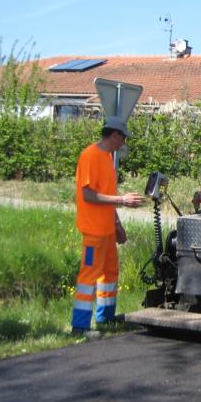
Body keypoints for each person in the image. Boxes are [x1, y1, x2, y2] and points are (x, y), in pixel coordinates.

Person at [71, 116, 144, 338]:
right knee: (89, 276)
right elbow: (89, 194)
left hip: (107, 230)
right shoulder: (90, 156)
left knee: (110, 273)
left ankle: (105, 318)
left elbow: (106, 196)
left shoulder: (107, 158)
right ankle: (80, 326)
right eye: (123, 138)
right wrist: (122, 200)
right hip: (94, 230)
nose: (124, 143)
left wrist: (117, 224)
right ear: (114, 135)